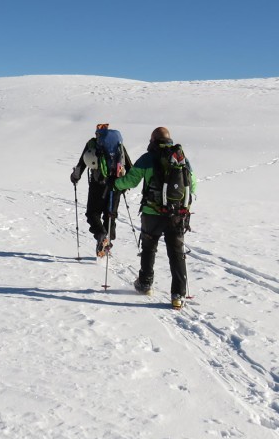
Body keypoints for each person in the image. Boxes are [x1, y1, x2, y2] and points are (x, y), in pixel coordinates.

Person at [114, 127, 197, 309]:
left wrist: (116, 183)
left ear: (152, 140)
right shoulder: (181, 158)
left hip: (152, 213)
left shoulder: (148, 158)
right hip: (176, 214)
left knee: (149, 247)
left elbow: (131, 181)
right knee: (176, 253)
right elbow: (193, 184)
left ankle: (145, 283)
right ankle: (178, 295)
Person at [70, 124, 130, 257]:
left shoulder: (92, 144)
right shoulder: (119, 145)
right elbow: (129, 166)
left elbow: (81, 164)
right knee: (110, 214)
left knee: (92, 213)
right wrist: (125, 184)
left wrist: (75, 177)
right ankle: (108, 240)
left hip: (98, 184)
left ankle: (102, 236)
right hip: (116, 184)